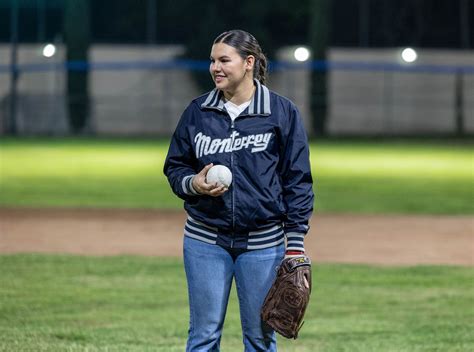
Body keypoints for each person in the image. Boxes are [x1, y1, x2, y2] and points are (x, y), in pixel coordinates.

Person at [164, 29, 314, 351]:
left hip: (263, 245)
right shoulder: (198, 111)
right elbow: (175, 167)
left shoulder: (280, 112)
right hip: (205, 240)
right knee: (203, 337)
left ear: (248, 63)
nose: (215, 67)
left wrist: (296, 243)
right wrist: (194, 184)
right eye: (212, 61)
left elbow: (297, 180)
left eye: (223, 60)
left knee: (260, 339)